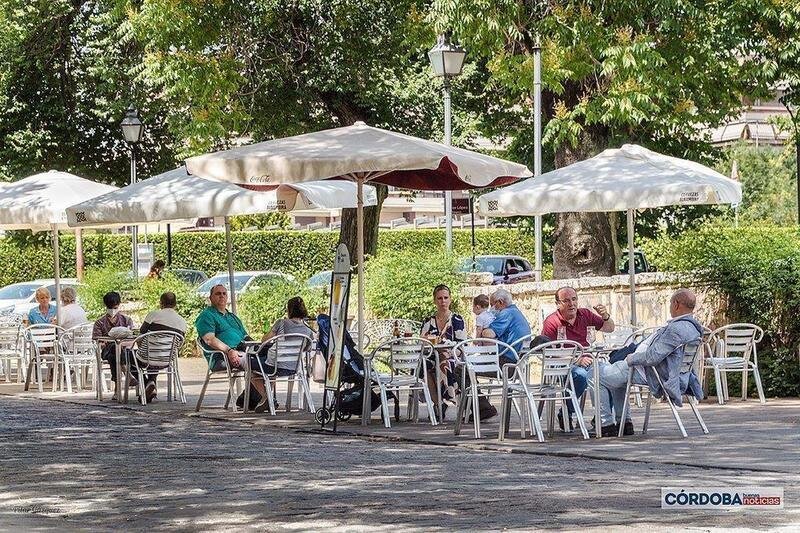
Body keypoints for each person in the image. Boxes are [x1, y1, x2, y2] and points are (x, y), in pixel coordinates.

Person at [591, 288, 703, 437]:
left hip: (651, 373)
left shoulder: (677, 329)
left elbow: (653, 357)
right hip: (669, 372)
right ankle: (624, 423)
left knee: (596, 374)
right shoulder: (693, 328)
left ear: (676, 304)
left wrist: (630, 359)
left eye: (670, 303)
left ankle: (605, 425)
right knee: (613, 375)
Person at [541, 286, 615, 428]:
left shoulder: (585, 314)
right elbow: (548, 352)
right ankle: (566, 411)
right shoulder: (551, 322)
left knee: (609, 374)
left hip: (589, 361)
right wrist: (576, 359)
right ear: (558, 304)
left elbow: (609, 328)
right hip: (563, 365)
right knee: (580, 375)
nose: (571, 304)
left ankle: (601, 418)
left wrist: (605, 316)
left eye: (574, 299)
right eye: (566, 300)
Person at [468, 288, 532, 421]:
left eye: (492, 304)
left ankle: (483, 409)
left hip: (505, 365)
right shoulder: (517, 313)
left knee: (462, 368)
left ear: (500, 302)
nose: (491, 308)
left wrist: (483, 328)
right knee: (467, 367)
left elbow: (488, 335)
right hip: (518, 365)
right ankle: (483, 408)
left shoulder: (506, 313)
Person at [253, 296, 315, 412]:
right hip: (293, 368)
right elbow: (307, 349)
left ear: (289, 310)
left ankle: (267, 397)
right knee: (270, 370)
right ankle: (268, 399)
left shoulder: (281, 323)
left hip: (274, 366)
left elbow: (264, 340)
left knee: (250, 366)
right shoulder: (308, 331)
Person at [419, 284, 467, 416]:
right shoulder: (428, 321)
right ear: (435, 301)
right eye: (439, 298)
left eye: (446, 297)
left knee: (443, 363)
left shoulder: (457, 320)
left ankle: (443, 403)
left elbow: (461, 345)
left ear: (450, 299)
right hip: (431, 356)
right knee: (423, 366)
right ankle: (438, 403)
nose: (443, 301)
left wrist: (445, 347)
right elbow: (422, 342)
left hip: (453, 356)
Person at [139, 291, 188, 403]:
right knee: (155, 356)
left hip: (147, 357)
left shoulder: (153, 315)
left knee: (127, 357)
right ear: (175, 304)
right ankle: (151, 384)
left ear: (161, 303)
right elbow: (180, 343)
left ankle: (148, 383)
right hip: (168, 359)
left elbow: (142, 332)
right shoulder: (182, 321)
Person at [92, 291, 136, 399]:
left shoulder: (126, 320)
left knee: (115, 355)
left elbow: (132, 339)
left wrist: (121, 344)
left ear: (119, 305)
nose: (113, 310)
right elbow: (97, 341)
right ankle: (127, 374)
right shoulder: (100, 322)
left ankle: (117, 390)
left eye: (115, 307)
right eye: (110, 307)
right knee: (113, 349)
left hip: (124, 350)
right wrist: (106, 343)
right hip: (107, 350)